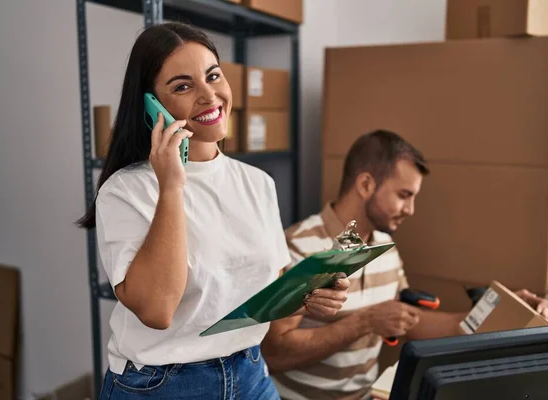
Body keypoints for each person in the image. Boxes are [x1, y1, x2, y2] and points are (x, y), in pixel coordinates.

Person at [76, 22, 350, 400]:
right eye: (183, 86)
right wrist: (171, 186)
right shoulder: (126, 191)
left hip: (250, 371)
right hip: (162, 386)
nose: (210, 96)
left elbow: (267, 283)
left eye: (213, 76)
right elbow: (157, 310)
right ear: (150, 105)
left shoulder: (257, 182)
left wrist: (311, 296)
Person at [261, 130, 548, 400]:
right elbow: (274, 354)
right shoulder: (300, 247)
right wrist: (364, 323)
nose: (411, 210)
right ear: (365, 184)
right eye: (404, 195)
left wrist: (505, 309)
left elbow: (408, 321)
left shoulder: (383, 248)